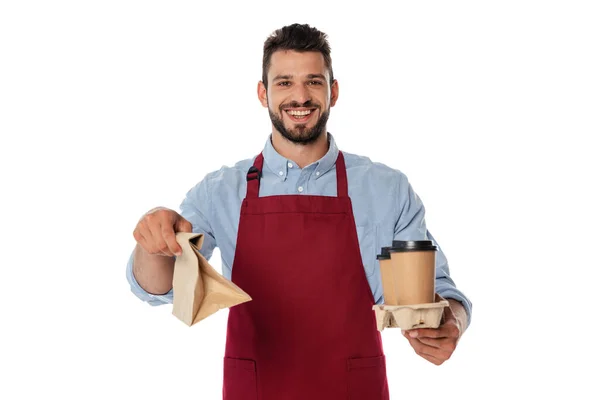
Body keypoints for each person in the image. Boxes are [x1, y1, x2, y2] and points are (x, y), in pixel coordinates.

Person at [126, 23, 472, 400]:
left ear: (333, 91)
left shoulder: (386, 189)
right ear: (263, 93)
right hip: (257, 389)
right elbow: (164, 288)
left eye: (314, 82)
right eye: (284, 82)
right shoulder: (221, 191)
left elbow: (438, 291)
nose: (300, 97)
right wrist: (152, 241)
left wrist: (452, 319)